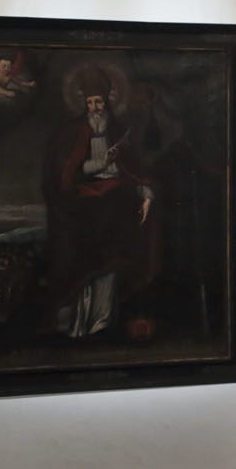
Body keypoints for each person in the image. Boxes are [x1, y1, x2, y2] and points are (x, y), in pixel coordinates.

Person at [43, 67, 161, 338]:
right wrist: (102, 162)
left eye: (98, 101)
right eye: (90, 103)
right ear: (83, 102)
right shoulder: (72, 132)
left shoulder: (119, 130)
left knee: (111, 262)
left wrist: (145, 195)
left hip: (117, 201)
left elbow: (135, 169)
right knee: (85, 263)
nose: (95, 108)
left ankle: (102, 320)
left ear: (107, 100)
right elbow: (69, 173)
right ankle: (79, 323)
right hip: (85, 205)